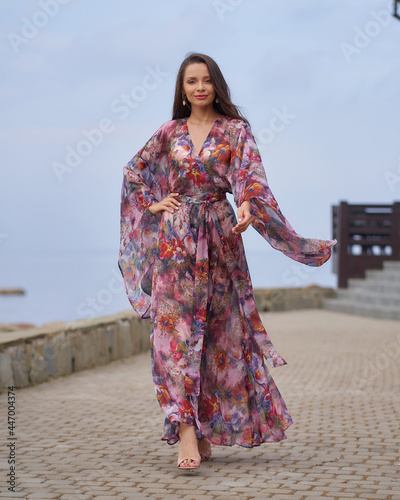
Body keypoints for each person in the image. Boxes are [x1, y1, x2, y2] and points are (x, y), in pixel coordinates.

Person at [119, 53, 336, 470]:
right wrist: (155, 204)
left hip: (220, 239)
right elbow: (133, 171)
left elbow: (250, 178)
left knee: (219, 338)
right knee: (174, 336)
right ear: (182, 90)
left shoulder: (236, 131)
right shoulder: (169, 132)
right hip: (176, 244)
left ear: (216, 84)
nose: (199, 88)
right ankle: (184, 430)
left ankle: (204, 428)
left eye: (205, 80)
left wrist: (248, 206)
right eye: (191, 82)